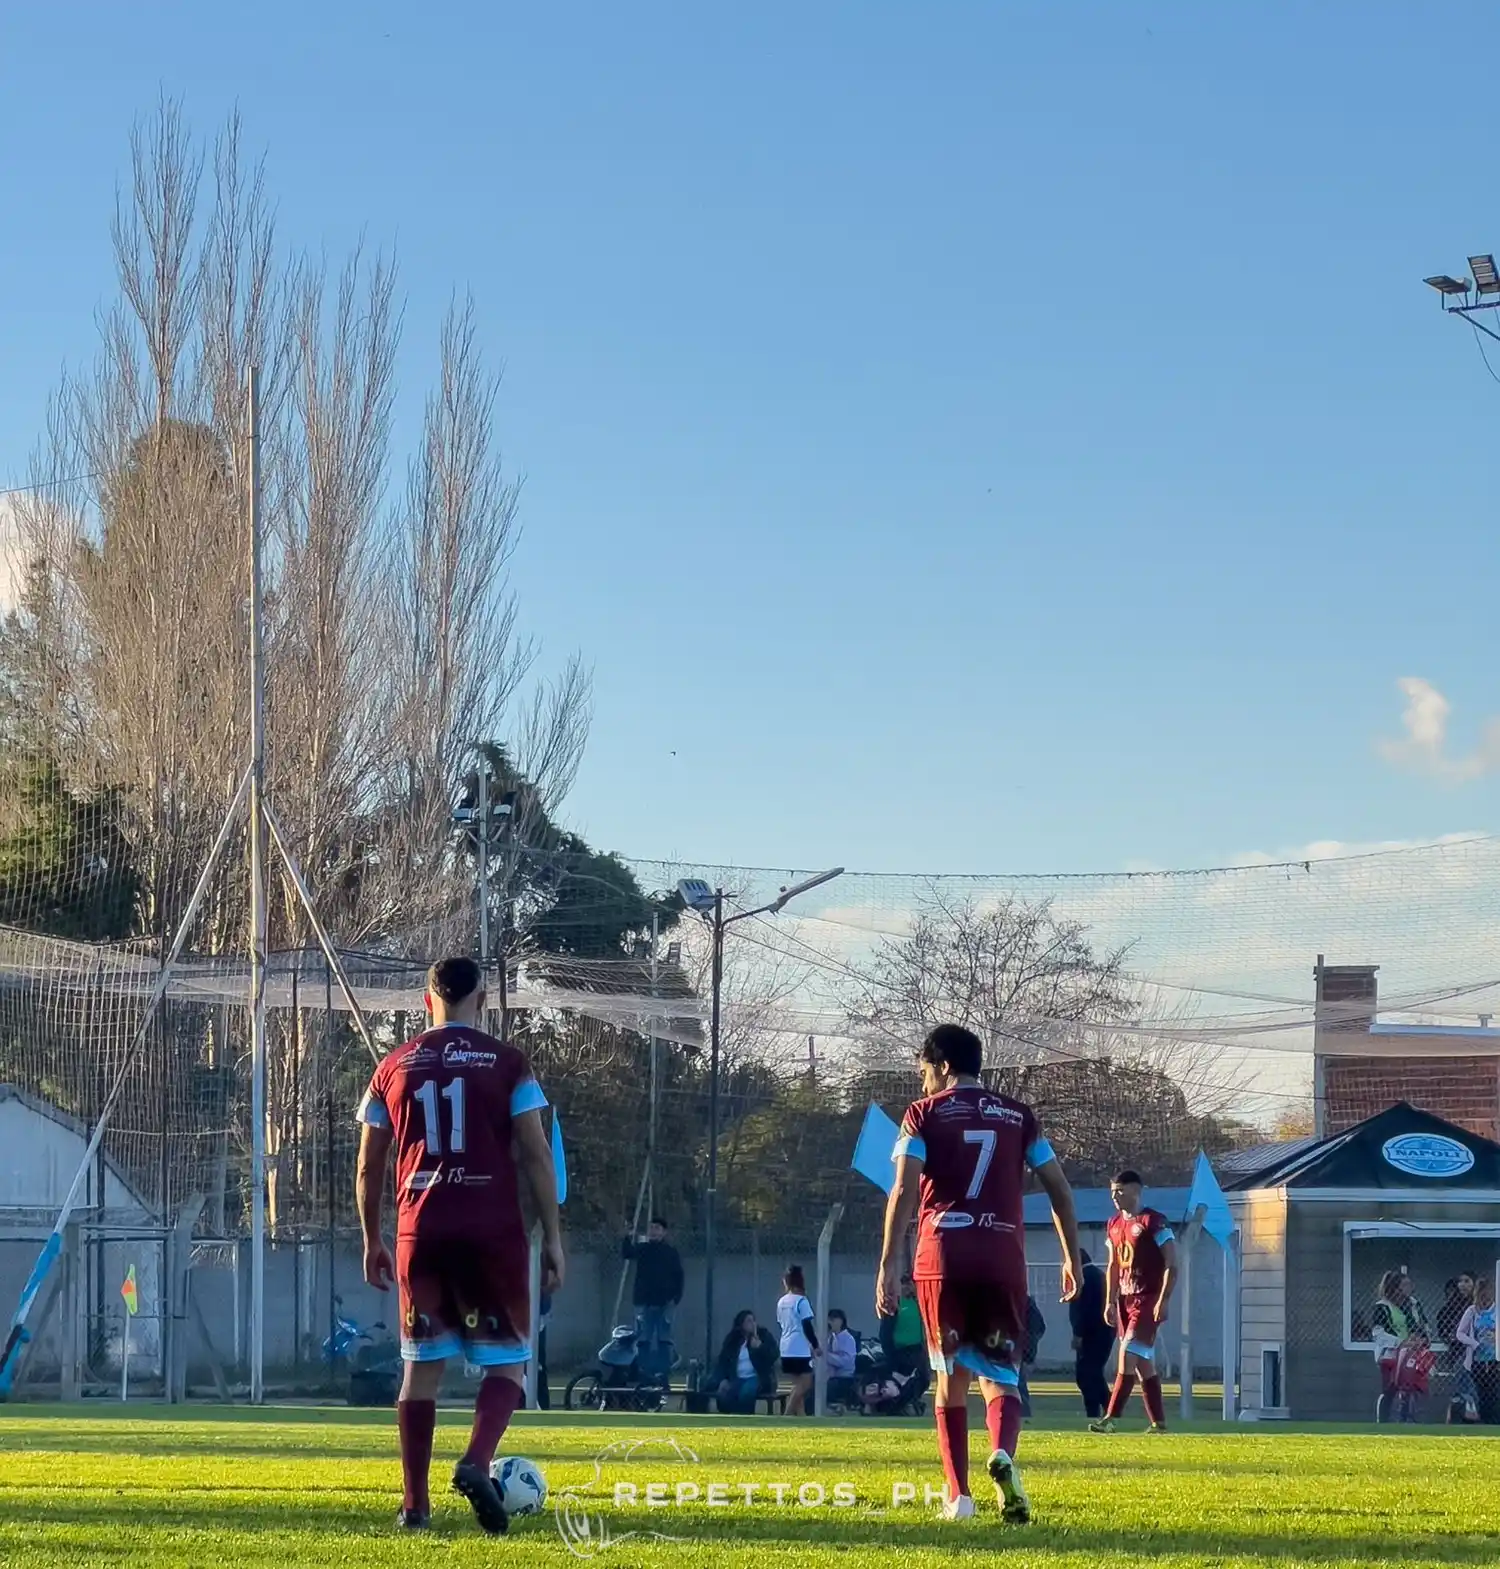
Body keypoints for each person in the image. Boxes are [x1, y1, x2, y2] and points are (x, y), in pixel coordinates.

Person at [356, 955, 565, 1535]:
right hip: (490, 1231)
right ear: (483, 1000)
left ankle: (415, 1507)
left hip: (419, 1231)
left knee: (420, 1368)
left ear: (428, 1000)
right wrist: (552, 1236)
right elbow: (535, 1152)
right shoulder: (508, 1064)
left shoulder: (392, 1066)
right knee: (509, 1363)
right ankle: (476, 1461)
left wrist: (373, 1236)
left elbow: (369, 1166)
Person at [877, 1023, 1081, 1526]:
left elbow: (903, 1189)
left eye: (924, 1068)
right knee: (1001, 1379)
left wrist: (888, 1261)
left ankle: (960, 1498)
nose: (922, 1079)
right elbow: (1059, 1189)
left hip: (942, 1258)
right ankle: (1004, 1455)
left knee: (950, 1380)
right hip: (1000, 1258)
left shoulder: (922, 1114)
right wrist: (1071, 1256)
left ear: (943, 1066)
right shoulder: (1018, 1117)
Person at [1090, 1170, 1177, 1435]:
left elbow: (1172, 1264)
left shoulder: (1154, 1222)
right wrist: (1109, 1301)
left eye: (1120, 1190)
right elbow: (1114, 1265)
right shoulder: (1114, 1224)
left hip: (1147, 1298)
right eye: (1112, 1191)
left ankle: (1111, 1418)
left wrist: (1163, 1300)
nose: (1115, 1196)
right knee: (1142, 1365)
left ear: (1136, 1190)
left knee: (1127, 1355)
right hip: (1125, 1300)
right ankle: (1159, 1423)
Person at [621, 1217, 683, 1382]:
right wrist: (628, 1236)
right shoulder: (643, 1249)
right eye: (651, 1228)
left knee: (664, 1341)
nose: (653, 1231)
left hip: (665, 1303)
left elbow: (679, 1276)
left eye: (657, 1228)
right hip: (644, 1302)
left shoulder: (670, 1252)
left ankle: (663, 1378)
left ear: (664, 1232)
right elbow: (627, 1253)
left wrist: (676, 1298)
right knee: (643, 1340)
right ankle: (644, 1377)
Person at [1372, 1269, 1429, 1423]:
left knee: (1411, 1389)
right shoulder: (1382, 1307)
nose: (1410, 1287)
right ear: (1395, 1288)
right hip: (1391, 1354)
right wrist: (1401, 1342)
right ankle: (1382, 1421)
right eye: (1405, 1285)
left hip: (1411, 1353)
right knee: (1390, 1389)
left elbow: (1423, 1326)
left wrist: (1420, 1340)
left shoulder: (1413, 1305)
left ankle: (1407, 1421)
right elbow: (1378, 1333)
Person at [1069, 1249, 1115, 1418]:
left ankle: (1102, 1409)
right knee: (1093, 1373)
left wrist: (1078, 1334)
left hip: (1092, 1335)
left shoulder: (1084, 1279)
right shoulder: (1098, 1275)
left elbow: (1083, 1310)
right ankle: (1106, 1408)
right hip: (1103, 1334)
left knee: (1086, 1374)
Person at [712, 1310, 778, 1414]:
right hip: (737, 1377)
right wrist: (723, 1379)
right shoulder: (733, 1340)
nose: (753, 1324)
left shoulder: (763, 1335)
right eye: (748, 1321)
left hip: (757, 1378)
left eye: (753, 1320)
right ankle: (729, 1420)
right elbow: (723, 1362)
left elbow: (774, 1355)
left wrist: (760, 1347)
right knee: (725, 1394)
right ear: (741, 1324)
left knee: (746, 1392)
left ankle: (746, 1419)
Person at [777, 1266, 820, 1415]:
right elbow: (806, 1325)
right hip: (799, 1348)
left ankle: (801, 1419)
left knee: (797, 1384)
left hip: (785, 1346)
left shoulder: (782, 1302)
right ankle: (786, 1415)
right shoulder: (801, 1301)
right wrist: (815, 1345)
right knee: (806, 1383)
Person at [1457, 1277, 1497, 1424]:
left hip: (1495, 1360)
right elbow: (1460, 1333)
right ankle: (1483, 1421)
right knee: (1481, 1393)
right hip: (1477, 1361)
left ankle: (1494, 1422)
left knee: (1494, 1393)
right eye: (1482, 1296)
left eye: (1487, 1296)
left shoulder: (1497, 1310)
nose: (1485, 1300)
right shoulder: (1472, 1311)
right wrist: (1474, 1344)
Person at [1438, 1274, 1478, 1423]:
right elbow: (1443, 1328)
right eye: (1460, 1282)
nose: (1463, 1285)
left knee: (1471, 1386)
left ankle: (1471, 1414)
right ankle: (1459, 1416)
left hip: (1477, 1352)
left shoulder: (1477, 1306)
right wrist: (1451, 1337)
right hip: (1458, 1352)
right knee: (1461, 1385)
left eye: (1467, 1281)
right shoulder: (1451, 1306)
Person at [825, 1310, 859, 1409]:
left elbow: (845, 1362)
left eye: (832, 1320)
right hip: (829, 1375)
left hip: (844, 1378)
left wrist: (826, 1356)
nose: (829, 1323)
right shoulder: (830, 1338)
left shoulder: (848, 1339)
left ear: (840, 1321)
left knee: (829, 1386)